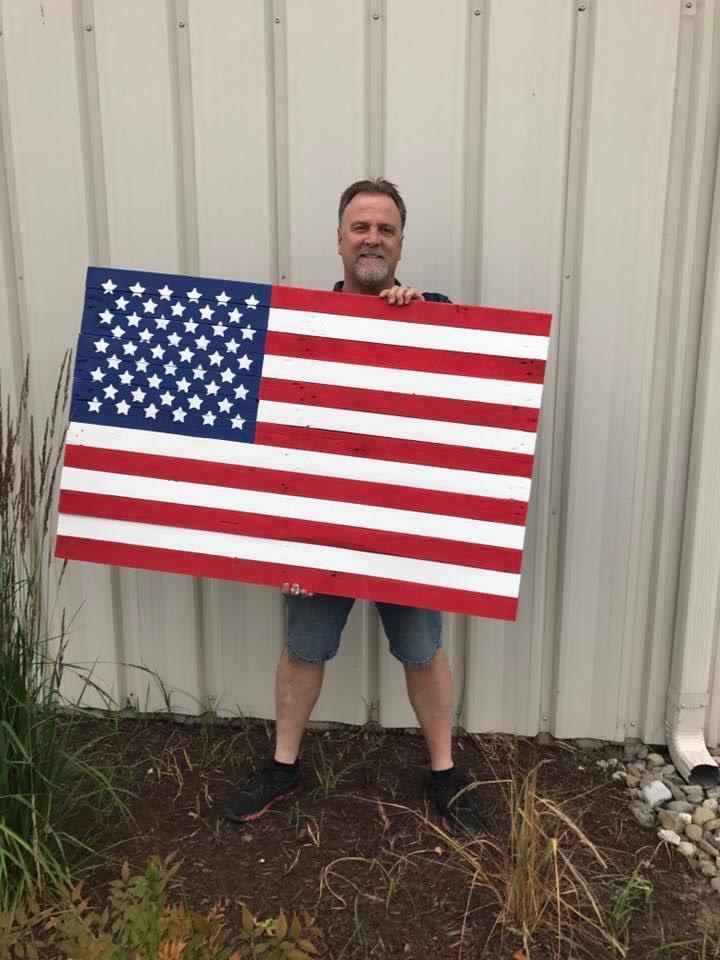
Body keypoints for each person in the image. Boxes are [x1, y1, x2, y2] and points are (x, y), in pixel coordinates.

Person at [224, 179, 484, 835]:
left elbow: (465, 399)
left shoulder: (436, 313)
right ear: (339, 239)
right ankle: (283, 766)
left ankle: (445, 773)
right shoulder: (302, 324)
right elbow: (275, 433)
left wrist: (420, 314)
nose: (372, 238)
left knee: (423, 648)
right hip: (321, 525)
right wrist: (280, 538)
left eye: (385, 228)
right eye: (360, 226)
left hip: (405, 524)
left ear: (400, 243)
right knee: (304, 647)